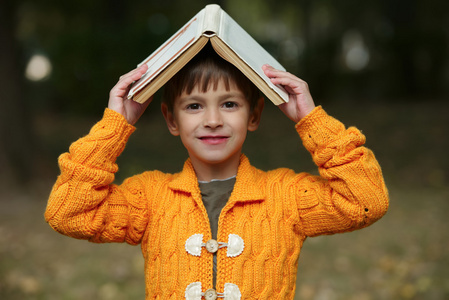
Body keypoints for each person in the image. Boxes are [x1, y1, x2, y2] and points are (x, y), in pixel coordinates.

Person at [45, 44, 389, 299]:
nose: (212, 120)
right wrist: (115, 125)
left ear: (253, 115)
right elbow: (67, 213)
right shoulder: (149, 197)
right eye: (194, 106)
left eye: (229, 104)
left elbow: (366, 202)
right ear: (171, 119)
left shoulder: (286, 195)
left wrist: (310, 119)